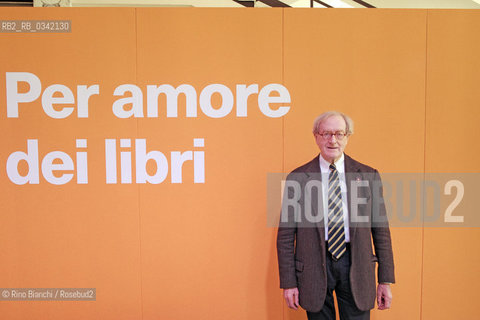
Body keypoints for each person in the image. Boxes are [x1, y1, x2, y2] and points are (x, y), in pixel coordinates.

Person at [277, 111, 395, 320]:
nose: (333, 140)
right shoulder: (298, 178)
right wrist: (289, 282)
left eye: (339, 134)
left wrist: (385, 280)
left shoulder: (368, 175)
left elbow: (381, 230)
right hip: (313, 266)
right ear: (316, 137)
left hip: (356, 264)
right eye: (326, 134)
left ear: (347, 136)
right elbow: (286, 235)